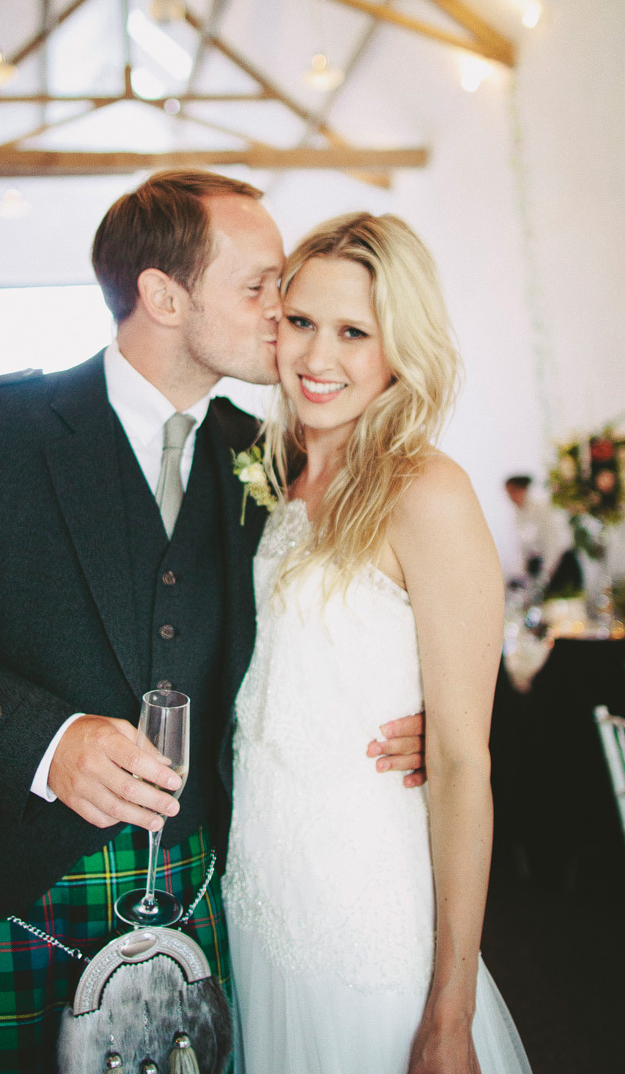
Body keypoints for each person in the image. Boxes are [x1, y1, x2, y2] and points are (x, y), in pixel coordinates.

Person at [0, 171, 424, 1074]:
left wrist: (412, 721)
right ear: (164, 295)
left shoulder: (265, 456)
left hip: (197, 879)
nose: (284, 309)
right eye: (259, 286)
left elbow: (321, 624)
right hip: (4, 882)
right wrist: (48, 743)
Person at [224, 212, 531, 1073]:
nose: (318, 356)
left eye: (354, 332)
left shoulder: (425, 490)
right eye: (301, 322)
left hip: (364, 907)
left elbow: (463, 762)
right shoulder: (266, 469)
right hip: (256, 888)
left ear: (399, 346)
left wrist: (451, 1012)